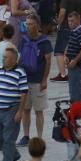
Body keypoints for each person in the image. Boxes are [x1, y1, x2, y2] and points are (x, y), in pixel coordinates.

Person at [0, 47, 29, 161]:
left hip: (12, 108)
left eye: (6, 57)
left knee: (9, 139)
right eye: (3, 57)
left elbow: (24, 93)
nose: (3, 59)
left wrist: (20, 112)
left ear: (13, 59)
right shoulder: (0, 70)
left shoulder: (20, 72)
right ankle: (14, 154)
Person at [18, 16, 53, 146]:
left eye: (31, 24)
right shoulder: (23, 40)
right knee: (25, 110)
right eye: (26, 24)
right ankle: (26, 136)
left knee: (39, 110)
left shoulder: (45, 42)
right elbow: (19, 58)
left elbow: (48, 62)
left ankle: (39, 137)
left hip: (38, 81)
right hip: (25, 81)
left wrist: (44, 80)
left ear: (37, 25)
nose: (28, 27)